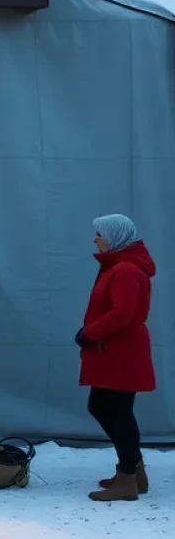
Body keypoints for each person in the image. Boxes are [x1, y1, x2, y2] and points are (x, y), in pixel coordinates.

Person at [79, 215, 155, 503]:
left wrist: (90, 333)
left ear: (114, 235)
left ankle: (127, 479)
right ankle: (133, 472)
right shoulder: (121, 266)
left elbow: (122, 313)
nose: (95, 239)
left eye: (99, 234)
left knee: (116, 411)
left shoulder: (125, 269)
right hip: (117, 350)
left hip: (120, 351)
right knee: (109, 408)